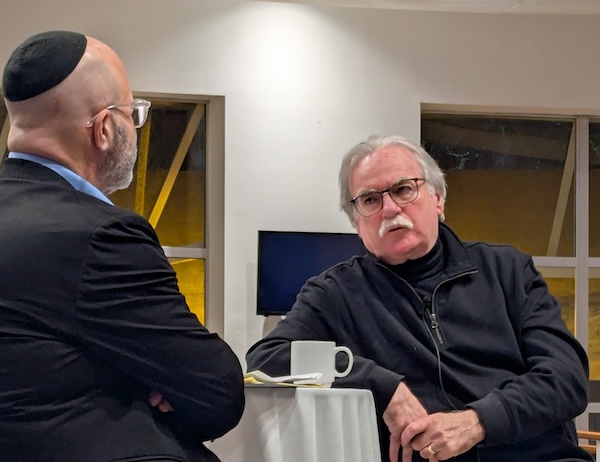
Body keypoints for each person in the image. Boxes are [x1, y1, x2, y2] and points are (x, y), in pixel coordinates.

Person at [246, 134, 593, 462]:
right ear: (356, 223)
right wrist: (379, 384)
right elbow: (267, 359)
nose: (389, 208)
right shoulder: (335, 294)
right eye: (370, 199)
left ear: (438, 198)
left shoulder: (507, 271)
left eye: (403, 189)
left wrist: (478, 421)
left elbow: (565, 377)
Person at [0, 30, 244, 462]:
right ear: (104, 129)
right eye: (134, 113)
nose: (135, 125)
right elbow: (217, 392)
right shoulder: (101, 237)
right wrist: (143, 381)